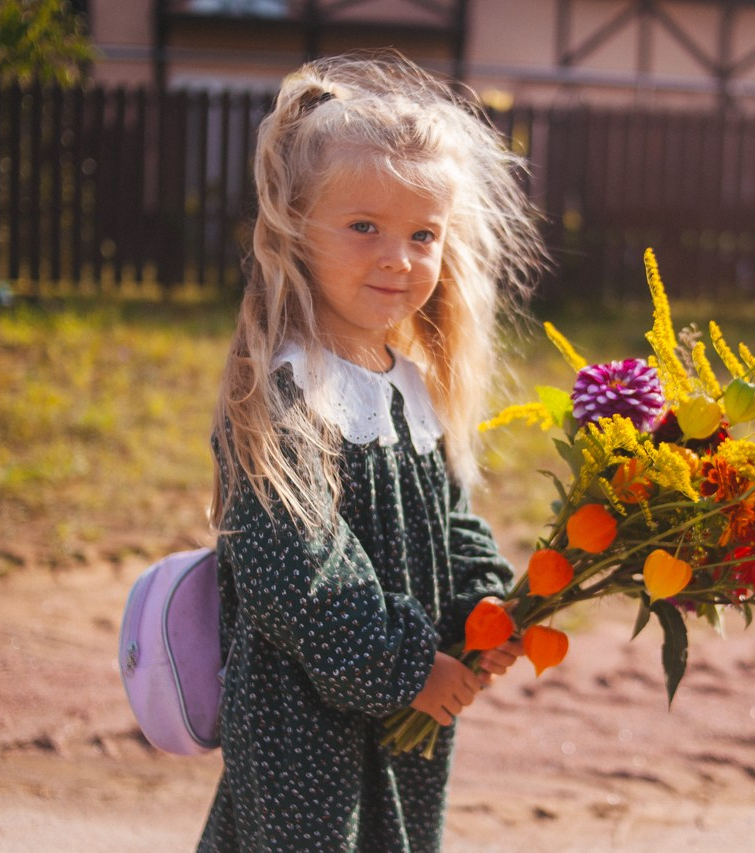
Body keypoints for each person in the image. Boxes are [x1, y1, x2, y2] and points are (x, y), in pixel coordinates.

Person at [198, 52, 546, 852]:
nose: (399, 257)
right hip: (304, 725)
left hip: (401, 710)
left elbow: (450, 518)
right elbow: (295, 567)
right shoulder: (287, 390)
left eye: (423, 233)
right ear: (294, 226)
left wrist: (486, 606)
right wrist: (404, 668)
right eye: (365, 228)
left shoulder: (410, 389)